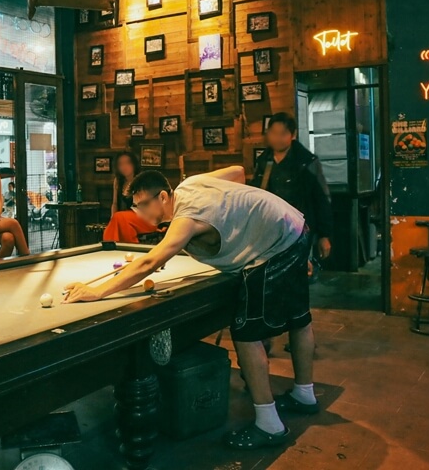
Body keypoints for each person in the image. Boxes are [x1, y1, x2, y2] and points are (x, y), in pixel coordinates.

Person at [66, 168, 318, 450]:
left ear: (162, 196)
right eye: (134, 207)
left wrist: (98, 291)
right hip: (295, 227)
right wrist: (235, 210)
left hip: (275, 245)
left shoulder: (186, 218)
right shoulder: (190, 184)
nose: (139, 214)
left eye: (142, 205)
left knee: (247, 333)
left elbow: (150, 263)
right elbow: (238, 173)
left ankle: (269, 426)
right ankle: (304, 396)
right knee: (299, 320)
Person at [250, 113, 333, 281]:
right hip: (270, 230)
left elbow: (322, 199)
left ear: (292, 135)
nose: (277, 138)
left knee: (299, 276)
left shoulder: (306, 162)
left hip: (300, 230)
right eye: (273, 133)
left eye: (282, 134)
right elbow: (255, 196)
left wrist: (325, 235)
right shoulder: (263, 161)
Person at [102, 152, 164, 244]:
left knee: (120, 217)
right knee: (119, 219)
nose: (124, 167)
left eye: (127, 163)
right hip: (127, 218)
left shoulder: (142, 180)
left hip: (147, 217)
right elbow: (114, 203)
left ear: (134, 164)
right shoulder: (118, 181)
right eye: (121, 164)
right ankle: (115, 248)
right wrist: (112, 220)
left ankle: (120, 247)